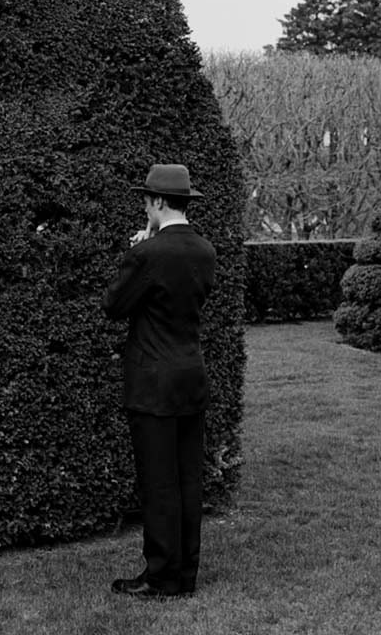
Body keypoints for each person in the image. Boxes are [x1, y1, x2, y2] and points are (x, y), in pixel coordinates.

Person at [101, 163, 217, 598]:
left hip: (153, 381)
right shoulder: (205, 251)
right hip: (191, 375)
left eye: (146, 201)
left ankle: (161, 577)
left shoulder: (147, 254)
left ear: (156, 203)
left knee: (159, 481)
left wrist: (138, 251)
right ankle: (185, 574)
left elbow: (113, 304)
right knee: (188, 478)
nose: (144, 207)